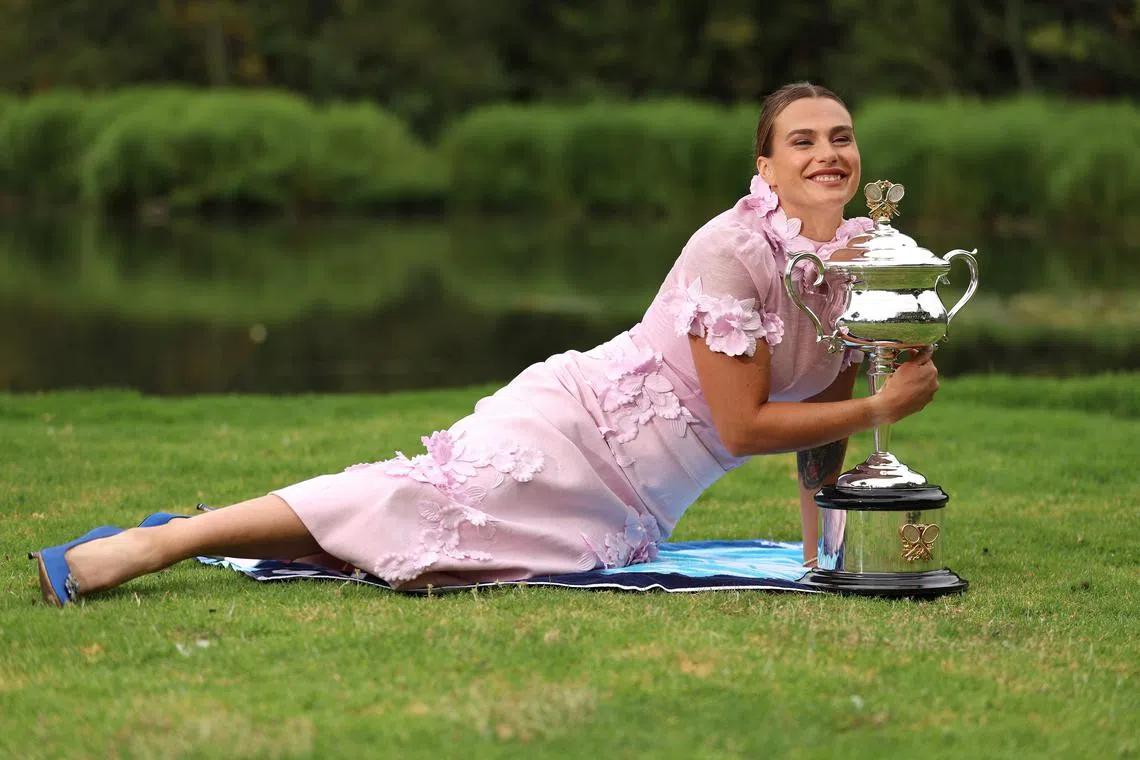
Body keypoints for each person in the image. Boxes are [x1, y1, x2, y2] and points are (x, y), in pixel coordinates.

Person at [32, 82, 940, 606]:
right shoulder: (732, 247)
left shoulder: (862, 259)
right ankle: (143, 549)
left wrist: (828, 556)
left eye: (843, 137)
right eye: (803, 140)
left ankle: (191, 533)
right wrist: (882, 409)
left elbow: (819, 422)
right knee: (408, 503)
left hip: (634, 509)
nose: (829, 153)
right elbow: (743, 427)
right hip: (577, 433)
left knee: (430, 560)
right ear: (766, 166)